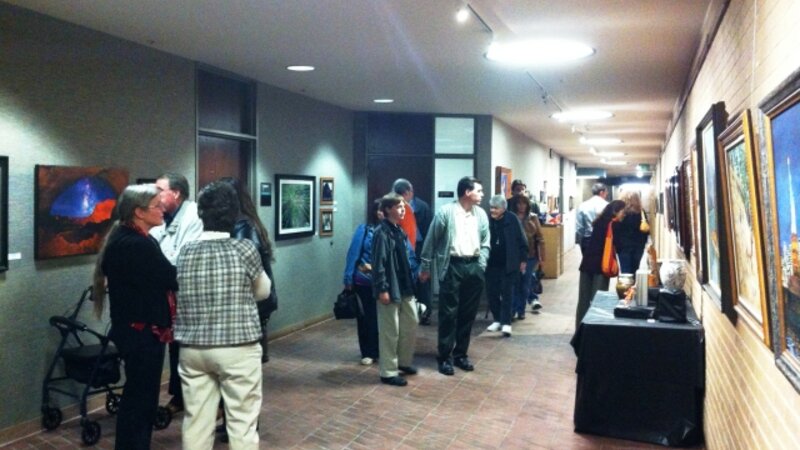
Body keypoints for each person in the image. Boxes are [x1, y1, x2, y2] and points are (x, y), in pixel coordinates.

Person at [174, 181, 270, 450]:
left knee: (196, 422)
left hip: (193, 348)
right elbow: (263, 291)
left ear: (200, 214)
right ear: (233, 214)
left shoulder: (186, 252)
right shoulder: (244, 249)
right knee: (242, 423)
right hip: (238, 347)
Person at [92, 184, 178, 450]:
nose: (163, 209)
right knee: (141, 398)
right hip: (141, 332)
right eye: (156, 205)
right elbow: (170, 277)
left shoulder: (129, 238)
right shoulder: (135, 244)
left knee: (140, 394)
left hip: (136, 329)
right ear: (139, 212)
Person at [419, 176, 490, 376]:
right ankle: (444, 357)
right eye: (479, 190)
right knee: (448, 314)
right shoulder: (446, 213)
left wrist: (481, 264)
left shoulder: (481, 215)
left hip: (473, 266)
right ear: (467, 192)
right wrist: (425, 266)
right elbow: (431, 241)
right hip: (452, 266)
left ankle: (461, 355)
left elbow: (486, 242)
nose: (482, 194)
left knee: (468, 314)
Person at [149, 172, 203, 416]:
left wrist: (155, 262)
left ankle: (191, 399)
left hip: (186, 296)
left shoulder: (193, 216)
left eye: (160, 189)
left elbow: (180, 258)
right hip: (167, 297)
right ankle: (178, 396)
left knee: (187, 349)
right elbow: (151, 245)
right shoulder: (164, 216)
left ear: (176, 193)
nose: (156, 195)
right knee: (175, 347)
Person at [371, 193, 419, 387]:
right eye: (398, 207)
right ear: (388, 209)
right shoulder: (381, 233)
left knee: (411, 322)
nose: (402, 210)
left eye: (403, 207)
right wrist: (382, 288)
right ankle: (388, 371)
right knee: (390, 331)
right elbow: (379, 263)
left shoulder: (399, 230)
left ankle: (404, 362)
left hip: (405, 286)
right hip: (390, 287)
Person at [576, 200, 626, 328]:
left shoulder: (598, 222)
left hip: (586, 264)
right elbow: (620, 246)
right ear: (615, 211)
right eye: (622, 212)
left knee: (583, 300)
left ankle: (580, 329)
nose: (623, 215)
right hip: (601, 266)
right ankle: (594, 329)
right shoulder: (615, 225)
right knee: (598, 300)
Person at [484, 195, 528, 337]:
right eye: (491, 207)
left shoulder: (512, 219)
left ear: (503, 208)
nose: (492, 210)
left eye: (495, 208)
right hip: (491, 263)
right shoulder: (487, 220)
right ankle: (497, 319)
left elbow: (522, 240)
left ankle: (506, 323)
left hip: (509, 263)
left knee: (507, 293)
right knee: (492, 293)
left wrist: (523, 260)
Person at [392, 178, 433, 324]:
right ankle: (409, 310)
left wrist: (428, 251)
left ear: (410, 192)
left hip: (420, 247)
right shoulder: (392, 207)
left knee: (423, 279)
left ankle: (425, 312)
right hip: (400, 247)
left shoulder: (422, 206)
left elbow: (429, 230)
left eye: (404, 194)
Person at [508, 193, 545, 316]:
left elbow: (540, 238)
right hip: (514, 256)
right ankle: (513, 309)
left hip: (530, 255)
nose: (521, 206)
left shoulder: (533, 218)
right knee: (514, 283)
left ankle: (521, 310)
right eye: (518, 203)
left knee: (525, 282)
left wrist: (541, 257)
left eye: (524, 203)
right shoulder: (510, 217)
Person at [614, 190, 650, 274]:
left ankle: (625, 286)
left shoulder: (619, 213)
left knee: (625, 270)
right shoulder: (641, 212)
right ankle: (633, 285)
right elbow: (645, 231)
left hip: (623, 247)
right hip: (638, 247)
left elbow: (615, 230)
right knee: (635, 268)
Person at [575, 182, 609, 253]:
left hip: (588, 239)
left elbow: (579, 227)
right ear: (601, 192)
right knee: (602, 263)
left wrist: (582, 239)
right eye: (606, 193)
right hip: (603, 239)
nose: (606, 195)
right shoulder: (607, 205)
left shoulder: (583, 205)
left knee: (588, 262)